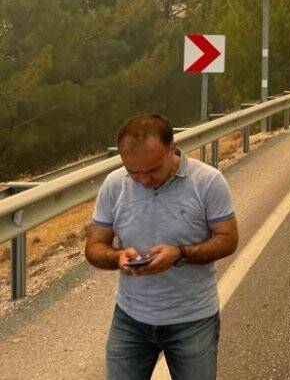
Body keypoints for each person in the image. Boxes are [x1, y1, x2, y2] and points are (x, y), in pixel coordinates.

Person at [85, 114, 239, 380]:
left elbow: (228, 239)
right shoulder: (114, 184)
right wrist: (117, 257)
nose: (144, 179)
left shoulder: (208, 182)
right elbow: (94, 246)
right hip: (130, 319)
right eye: (134, 172)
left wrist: (180, 254)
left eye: (153, 169)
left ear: (172, 149)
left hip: (193, 320)